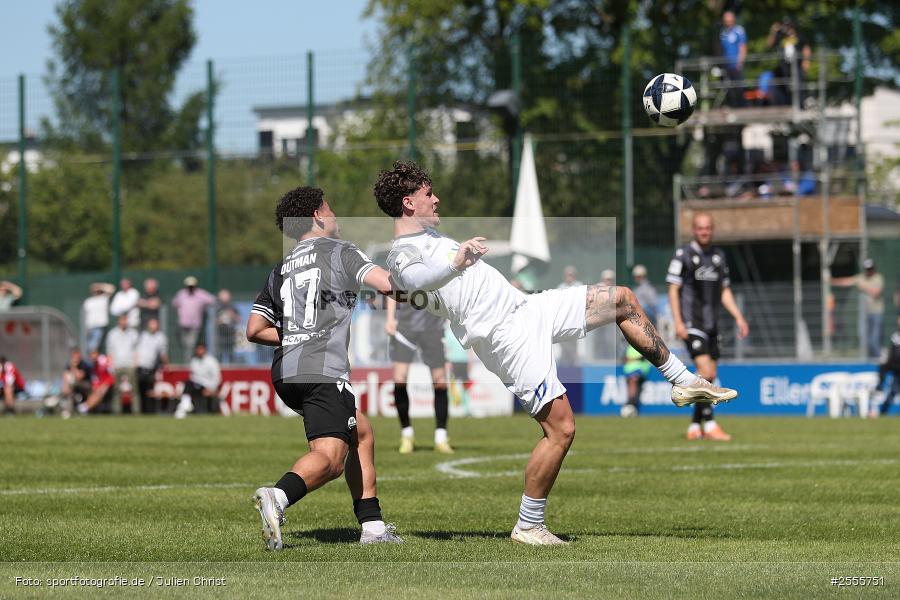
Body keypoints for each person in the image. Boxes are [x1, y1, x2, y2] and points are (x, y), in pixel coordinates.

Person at [375, 161, 737, 545]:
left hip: (529, 308)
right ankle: (528, 525)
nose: (436, 199)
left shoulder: (431, 237)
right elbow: (413, 281)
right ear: (408, 203)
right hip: (505, 336)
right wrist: (456, 261)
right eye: (428, 193)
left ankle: (683, 381)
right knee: (561, 429)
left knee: (622, 300)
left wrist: (456, 259)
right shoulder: (402, 253)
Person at [246, 185, 403, 550]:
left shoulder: (281, 268)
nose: (335, 216)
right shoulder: (340, 251)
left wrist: (297, 334)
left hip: (285, 371)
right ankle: (277, 497)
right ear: (317, 216)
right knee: (331, 460)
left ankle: (373, 526)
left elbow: (254, 329)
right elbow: (388, 284)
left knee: (360, 433)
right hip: (322, 371)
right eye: (330, 209)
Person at [667, 213, 749, 442]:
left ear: (712, 230)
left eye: (708, 228)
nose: (704, 232)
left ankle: (695, 426)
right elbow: (673, 289)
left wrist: (739, 317)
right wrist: (678, 321)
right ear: (694, 230)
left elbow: (724, 290)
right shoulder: (683, 255)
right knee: (707, 373)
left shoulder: (718, 256)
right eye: (700, 228)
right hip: (692, 323)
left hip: (712, 324)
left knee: (708, 378)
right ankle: (711, 425)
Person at [384, 294, 453, 454]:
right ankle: (407, 434)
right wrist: (390, 319)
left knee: (440, 381)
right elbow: (392, 290)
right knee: (399, 379)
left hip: (433, 328)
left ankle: (441, 437)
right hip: (405, 328)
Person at [832, 259, 884, 359]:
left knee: (874, 337)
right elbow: (847, 281)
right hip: (864, 313)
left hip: (876, 312)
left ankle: (877, 357)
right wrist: (832, 281)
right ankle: (867, 357)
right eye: (867, 269)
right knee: (863, 336)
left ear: (874, 269)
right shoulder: (861, 278)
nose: (869, 271)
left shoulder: (878, 278)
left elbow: (876, 293)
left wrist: (863, 287)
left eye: (870, 269)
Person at [766, 17, 811, 106]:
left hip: (797, 65)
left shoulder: (799, 36)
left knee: (799, 85)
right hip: (784, 67)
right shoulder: (780, 36)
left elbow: (806, 48)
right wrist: (773, 32)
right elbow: (769, 45)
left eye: (788, 26)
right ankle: (787, 105)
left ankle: (801, 105)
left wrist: (806, 61)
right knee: (785, 86)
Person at [171, 276, 216, 360]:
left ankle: (188, 362)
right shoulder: (182, 294)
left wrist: (204, 307)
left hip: (194, 325)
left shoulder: (200, 294)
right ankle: (188, 360)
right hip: (183, 324)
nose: (190, 288)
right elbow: (174, 303)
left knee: (190, 345)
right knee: (185, 344)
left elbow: (212, 300)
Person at [174, 342, 221, 418]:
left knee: (188, 385)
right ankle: (185, 405)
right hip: (195, 385)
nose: (199, 351)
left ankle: (185, 406)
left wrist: (212, 389)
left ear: (205, 350)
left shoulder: (211, 361)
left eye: (201, 349)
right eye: (198, 350)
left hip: (207, 386)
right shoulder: (194, 361)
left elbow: (217, 377)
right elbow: (192, 377)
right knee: (186, 384)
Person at [105, 314, 139, 414]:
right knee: (116, 390)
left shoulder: (133, 333)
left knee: (134, 389)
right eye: (122, 320)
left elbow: (136, 350)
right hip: (117, 365)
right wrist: (111, 366)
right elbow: (109, 351)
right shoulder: (112, 334)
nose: (124, 322)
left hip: (130, 365)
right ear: (118, 321)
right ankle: (116, 411)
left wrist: (135, 364)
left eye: (125, 319)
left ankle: (136, 411)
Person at [135, 318, 168, 414]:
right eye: (151, 324)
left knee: (150, 390)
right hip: (140, 366)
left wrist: (166, 365)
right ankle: (140, 411)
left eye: (155, 324)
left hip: (151, 367)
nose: (153, 326)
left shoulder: (161, 337)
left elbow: (163, 353)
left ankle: (150, 411)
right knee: (140, 390)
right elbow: (137, 350)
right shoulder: (143, 335)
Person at [718, 10, 747, 107]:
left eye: (729, 20)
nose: (728, 22)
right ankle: (732, 106)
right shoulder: (723, 32)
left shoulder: (739, 30)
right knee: (728, 88)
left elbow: (742, 46)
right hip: (726, 64)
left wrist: (740, 61)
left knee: (739, 87)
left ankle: (742, 106)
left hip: (736, 64)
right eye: (726, 20)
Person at [556, 266, 584, 365]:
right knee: (564, 346)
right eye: (568, 275)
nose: (569, 277)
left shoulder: (579, 286)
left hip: (576, 321)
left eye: (571, 275)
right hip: (564, 322)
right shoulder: (560, 287)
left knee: (574, 348)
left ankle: (574, 366)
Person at [876, 317, 900, 416]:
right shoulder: (895, 336)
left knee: (894, 389)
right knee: (883, 366)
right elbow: (891, 352)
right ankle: (879, 387)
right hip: (895, 364)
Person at [78, 350, 115, 414]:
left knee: (100, 391)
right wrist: (96, 386)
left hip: (109, 383)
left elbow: (111, 374)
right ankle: (86, 406)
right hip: (101, 384)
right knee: (95, 392)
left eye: (94, 354)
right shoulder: (93, 365)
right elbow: (95, 379)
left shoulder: (102, 360)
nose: (92, 356)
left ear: (97, 354)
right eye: (91, 355)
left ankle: (85, 408)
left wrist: (103, 385)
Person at [82, 282, 115, 352]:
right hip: (91, 327)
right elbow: (87, 316)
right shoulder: (88, 301)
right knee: (89, 347)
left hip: (100, 326)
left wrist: (100, 286)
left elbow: (112, 289)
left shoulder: (104, 299)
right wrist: (87, 328)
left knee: (94, 346)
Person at [61, 348, 93, 416]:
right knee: (68, 389)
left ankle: (83, 409)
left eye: (77, 356)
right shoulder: (68, 365)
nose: (75, 358)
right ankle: (68, 410)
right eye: (74, 356)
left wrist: (73, 367)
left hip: (86, 385)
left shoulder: (83, 364)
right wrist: (65, 386)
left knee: (71, 386)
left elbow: (79, 377)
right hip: (74, 385)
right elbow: (65, 375)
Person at [621, 345, 651, 417]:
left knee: (633, 381)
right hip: (628, 371)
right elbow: (624, 359)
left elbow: (644, 357)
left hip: (639, 370)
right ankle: (632, 405)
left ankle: (631, 402)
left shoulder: (641, 344)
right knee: (636, 389)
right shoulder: (629, 347)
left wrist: (633, 359)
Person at [215, 289, 240, 364]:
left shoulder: (233, 307)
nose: (224, 299)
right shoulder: (217, 308)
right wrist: (218, 321)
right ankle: (219, 365)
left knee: (231, 352)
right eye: (223, 296)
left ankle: (232, 365)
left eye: (226, 296)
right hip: (220, 334)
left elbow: (238, 319)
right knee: (219, 352)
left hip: (230, 334)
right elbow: (213, 321)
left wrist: (232, 315)